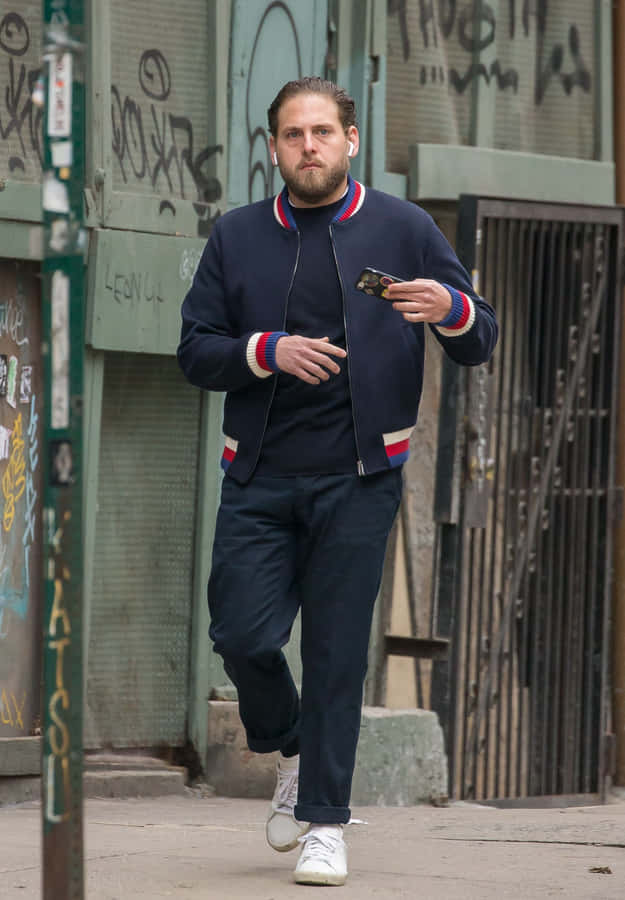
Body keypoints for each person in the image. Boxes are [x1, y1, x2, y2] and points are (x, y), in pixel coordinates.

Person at [177, 76, 498, 887]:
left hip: (360, 480)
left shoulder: (404, 227)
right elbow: (195, 351)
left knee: (335, 655)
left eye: (322, 131)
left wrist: (449, 307)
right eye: (293, 134)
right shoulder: (237, 235)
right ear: (274, 148)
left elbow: (479, 338)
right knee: (241, 637)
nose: (309, 146)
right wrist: (265, 351)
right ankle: (291, 747)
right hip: (257, 478)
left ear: (350, 140)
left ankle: (324, 821)